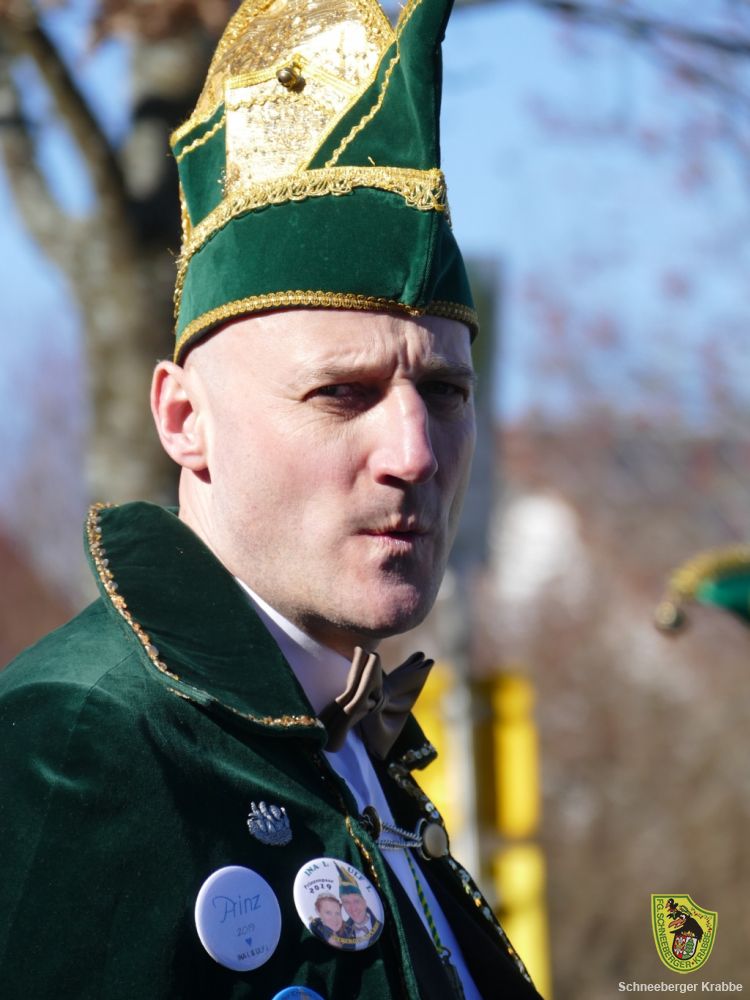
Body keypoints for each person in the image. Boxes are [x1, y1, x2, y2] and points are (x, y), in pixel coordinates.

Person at [0, 0, 543, 996]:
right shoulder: (82, 740)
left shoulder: (343, 739)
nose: (415, 453)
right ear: (183, 418)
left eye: (445, 392)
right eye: (343, 393)